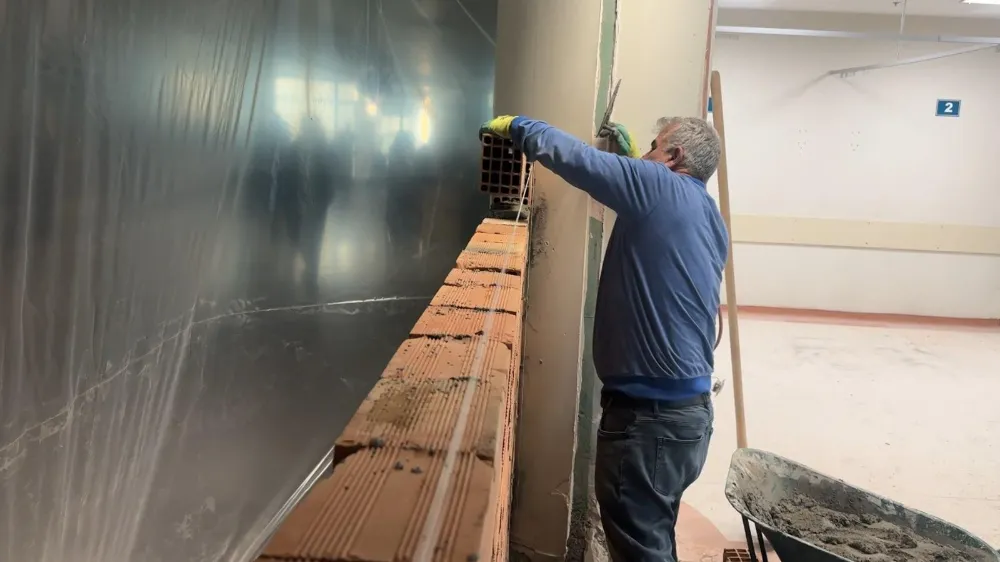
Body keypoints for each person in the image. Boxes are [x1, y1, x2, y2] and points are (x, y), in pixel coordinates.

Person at [480, 115, 727, 562]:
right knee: (652, 538)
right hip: (689, 423)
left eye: (654, 147)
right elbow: (657, 221)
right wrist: (637, 166)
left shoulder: (655, 185)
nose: (644, 156)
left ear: (674, 157)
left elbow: (575, 158)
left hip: (647, 424)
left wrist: (517, 125)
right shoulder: (709, 216)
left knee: (641, 551)